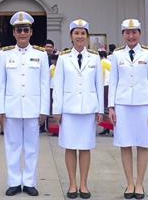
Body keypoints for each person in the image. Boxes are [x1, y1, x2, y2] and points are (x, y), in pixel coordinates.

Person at [0, 11, 50, 196]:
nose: (22, 33)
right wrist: (0, 109)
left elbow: (45, 84)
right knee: (12, 146)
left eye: (25, 29)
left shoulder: (40, 54)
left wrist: (44, 110)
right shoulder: (4, 54)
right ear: (14, 33)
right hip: (11, 108)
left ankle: (29, 182)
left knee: (31, 147)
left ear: (31, 32)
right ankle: (13, 181)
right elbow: (0, 84)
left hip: (33, 108)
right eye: (19, 30)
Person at [53, 19, 103, 199]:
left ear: (87, 37)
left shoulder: (95, 57)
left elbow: (99, 85)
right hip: (69, 109)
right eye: (76, 33)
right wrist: (57, 110)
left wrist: (100, 110)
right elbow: (57, 85)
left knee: (85, 147)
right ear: (71, 36)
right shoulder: (63, 58)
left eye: (83, 33)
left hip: (89, 108)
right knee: (69, 147)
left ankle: (84, 184)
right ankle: (72, 184)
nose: (80, 36)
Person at [109, 19, 148, 200]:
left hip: (143, 104)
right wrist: (111, 107)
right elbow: (113, 81)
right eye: (127, 33)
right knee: (125, 144)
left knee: (143, 144)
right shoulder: (117, 54)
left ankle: (140, 183)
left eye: (134, 32)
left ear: (139, 33)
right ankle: (129, 183)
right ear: (123, 35)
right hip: (122, 105)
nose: (131, 36)